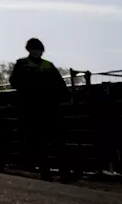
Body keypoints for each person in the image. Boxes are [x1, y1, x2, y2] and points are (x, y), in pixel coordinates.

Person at [9, 38, 75, 181]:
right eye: (35, 49)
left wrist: (66, 96)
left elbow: (60, 84)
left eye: (38, 49)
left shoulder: (43, 65)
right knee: (42, 141)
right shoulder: (26, 64)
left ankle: (62, 172)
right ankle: (47, 172)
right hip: (34, 108)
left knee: (55, 140)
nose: (37, 51)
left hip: (46, 107)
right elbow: (14, 82)